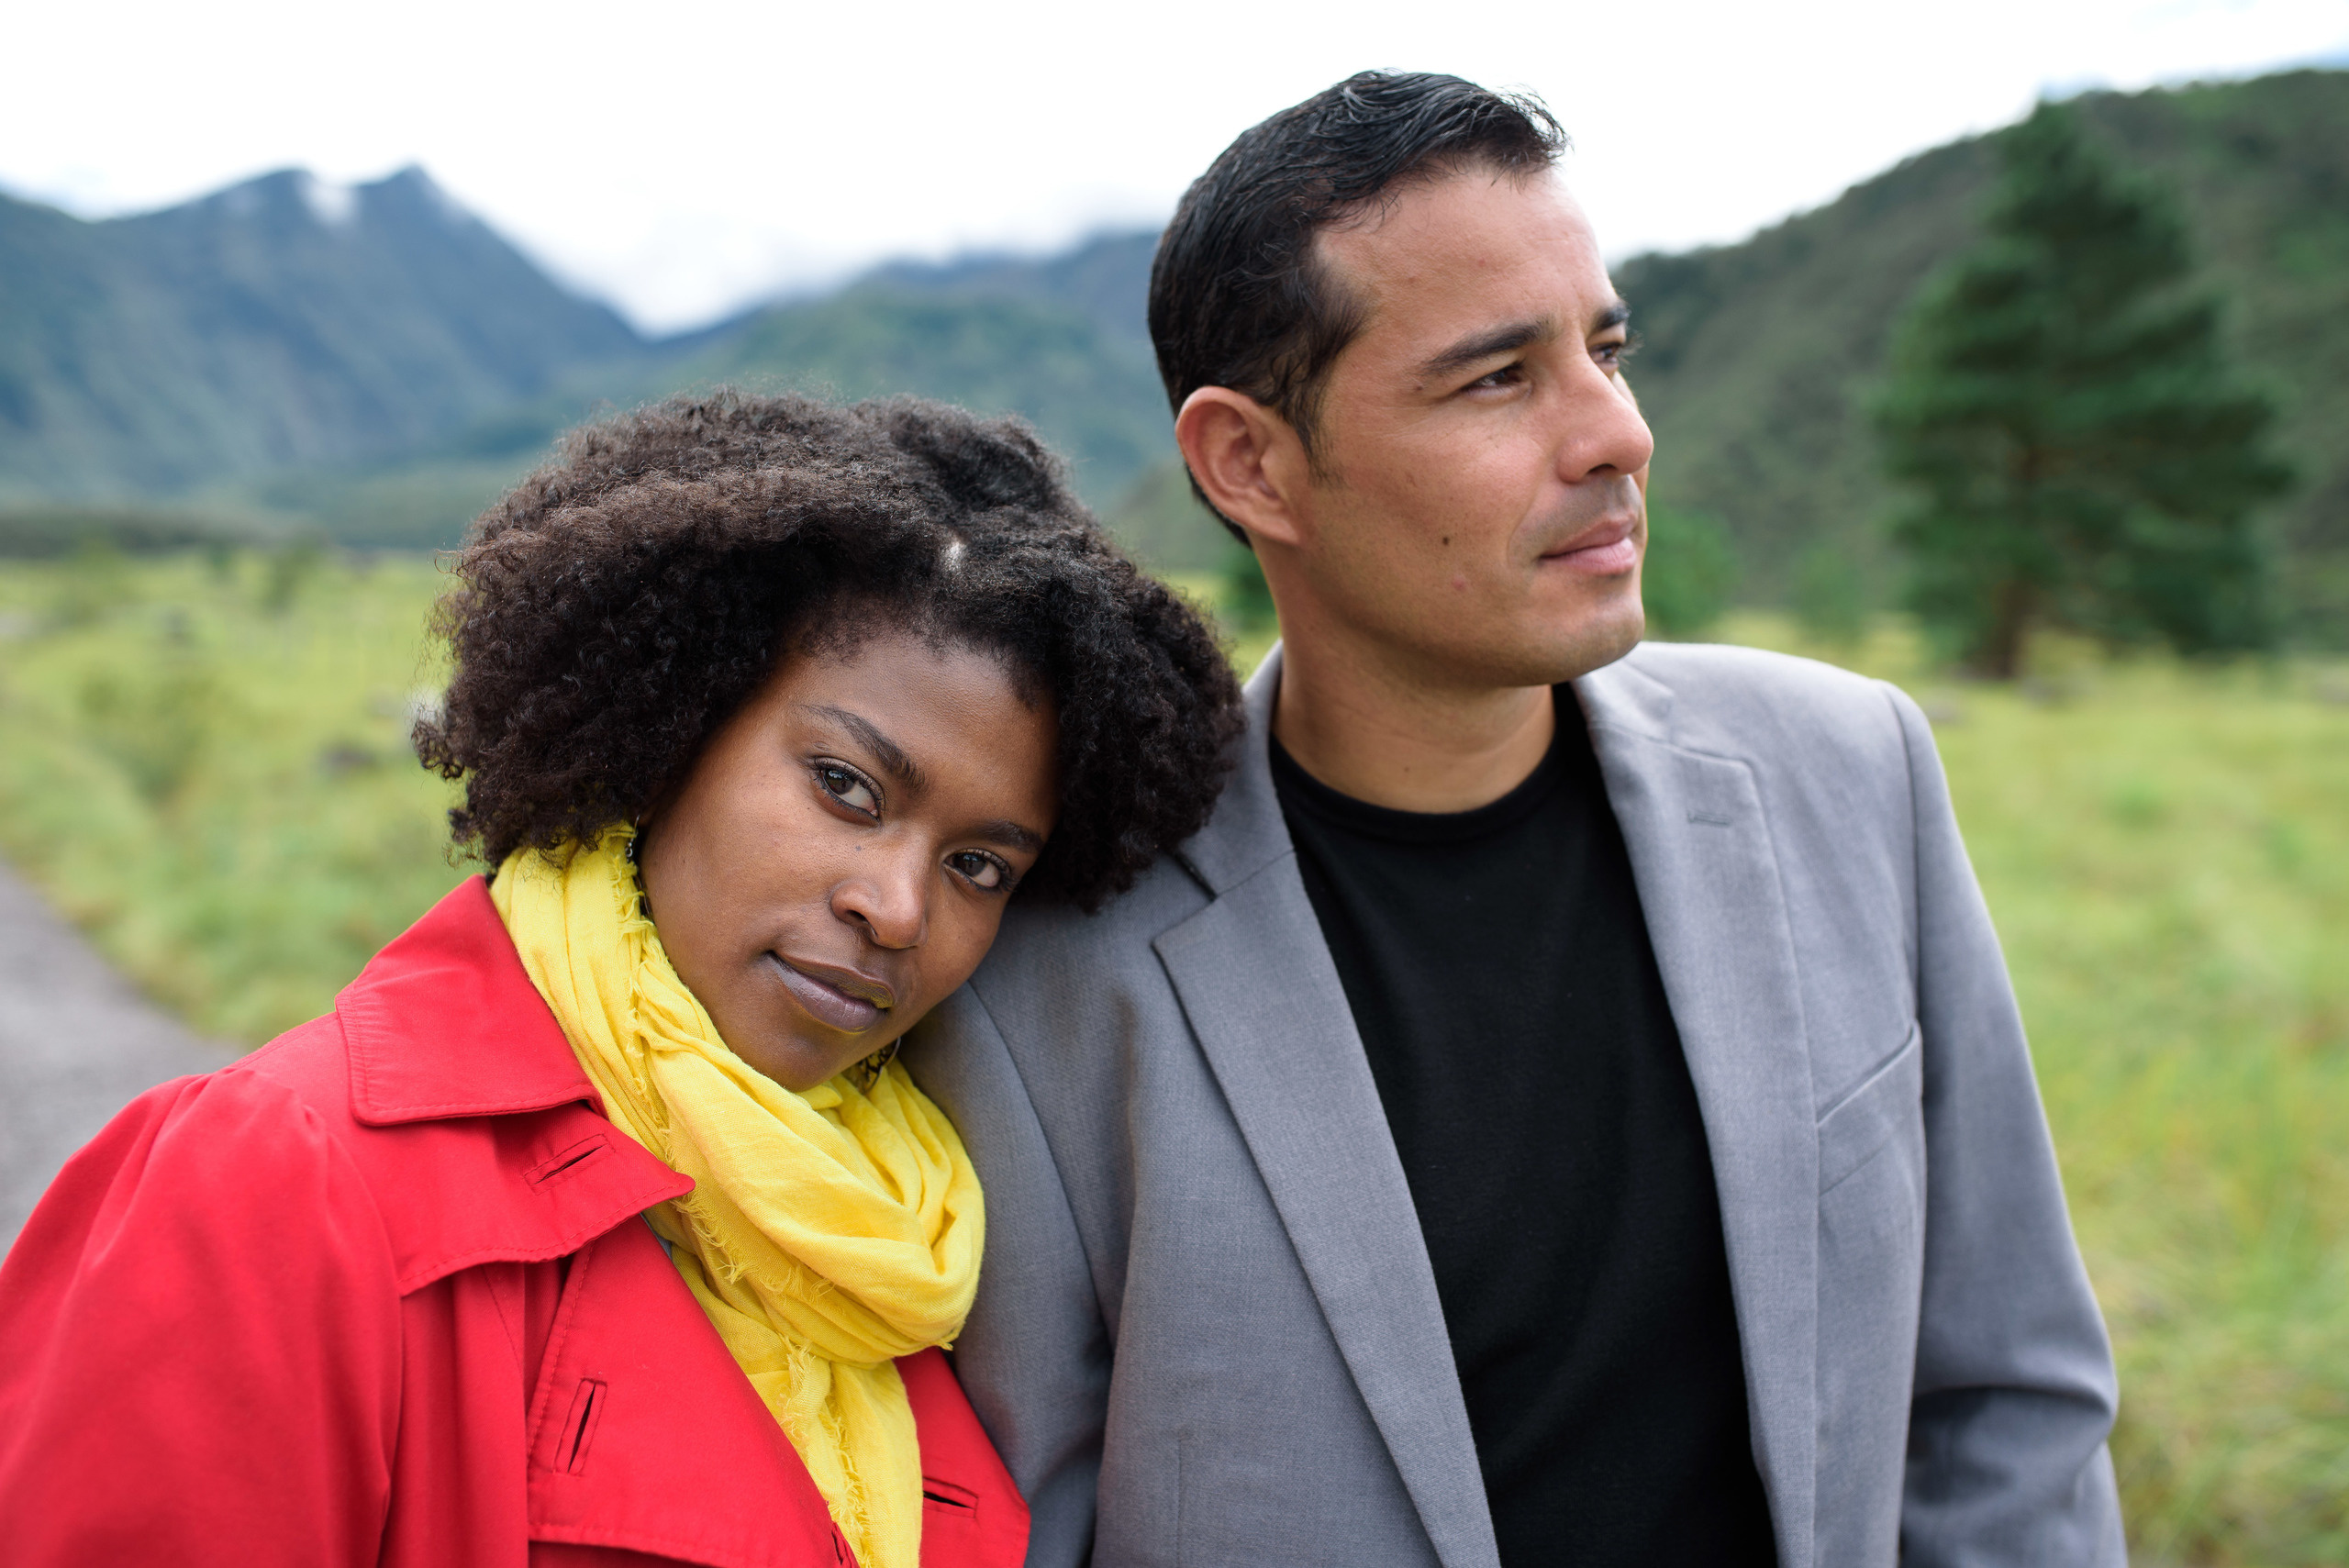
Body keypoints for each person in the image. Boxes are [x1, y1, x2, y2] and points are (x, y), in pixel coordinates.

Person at [905, 72, 2126, 1567]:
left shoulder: (1849, 771)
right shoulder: (1054, 959)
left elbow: (2006, 1405)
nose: (1616, 435)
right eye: (1498, 378)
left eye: (1606, 351)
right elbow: (1028, 1521)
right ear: (1251, 464)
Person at [0, 392, 1242, 1568]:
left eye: (978, 864)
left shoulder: (910, 1240)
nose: (897, 906)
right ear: (675, 727)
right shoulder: (282, 1179)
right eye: (847, 786)